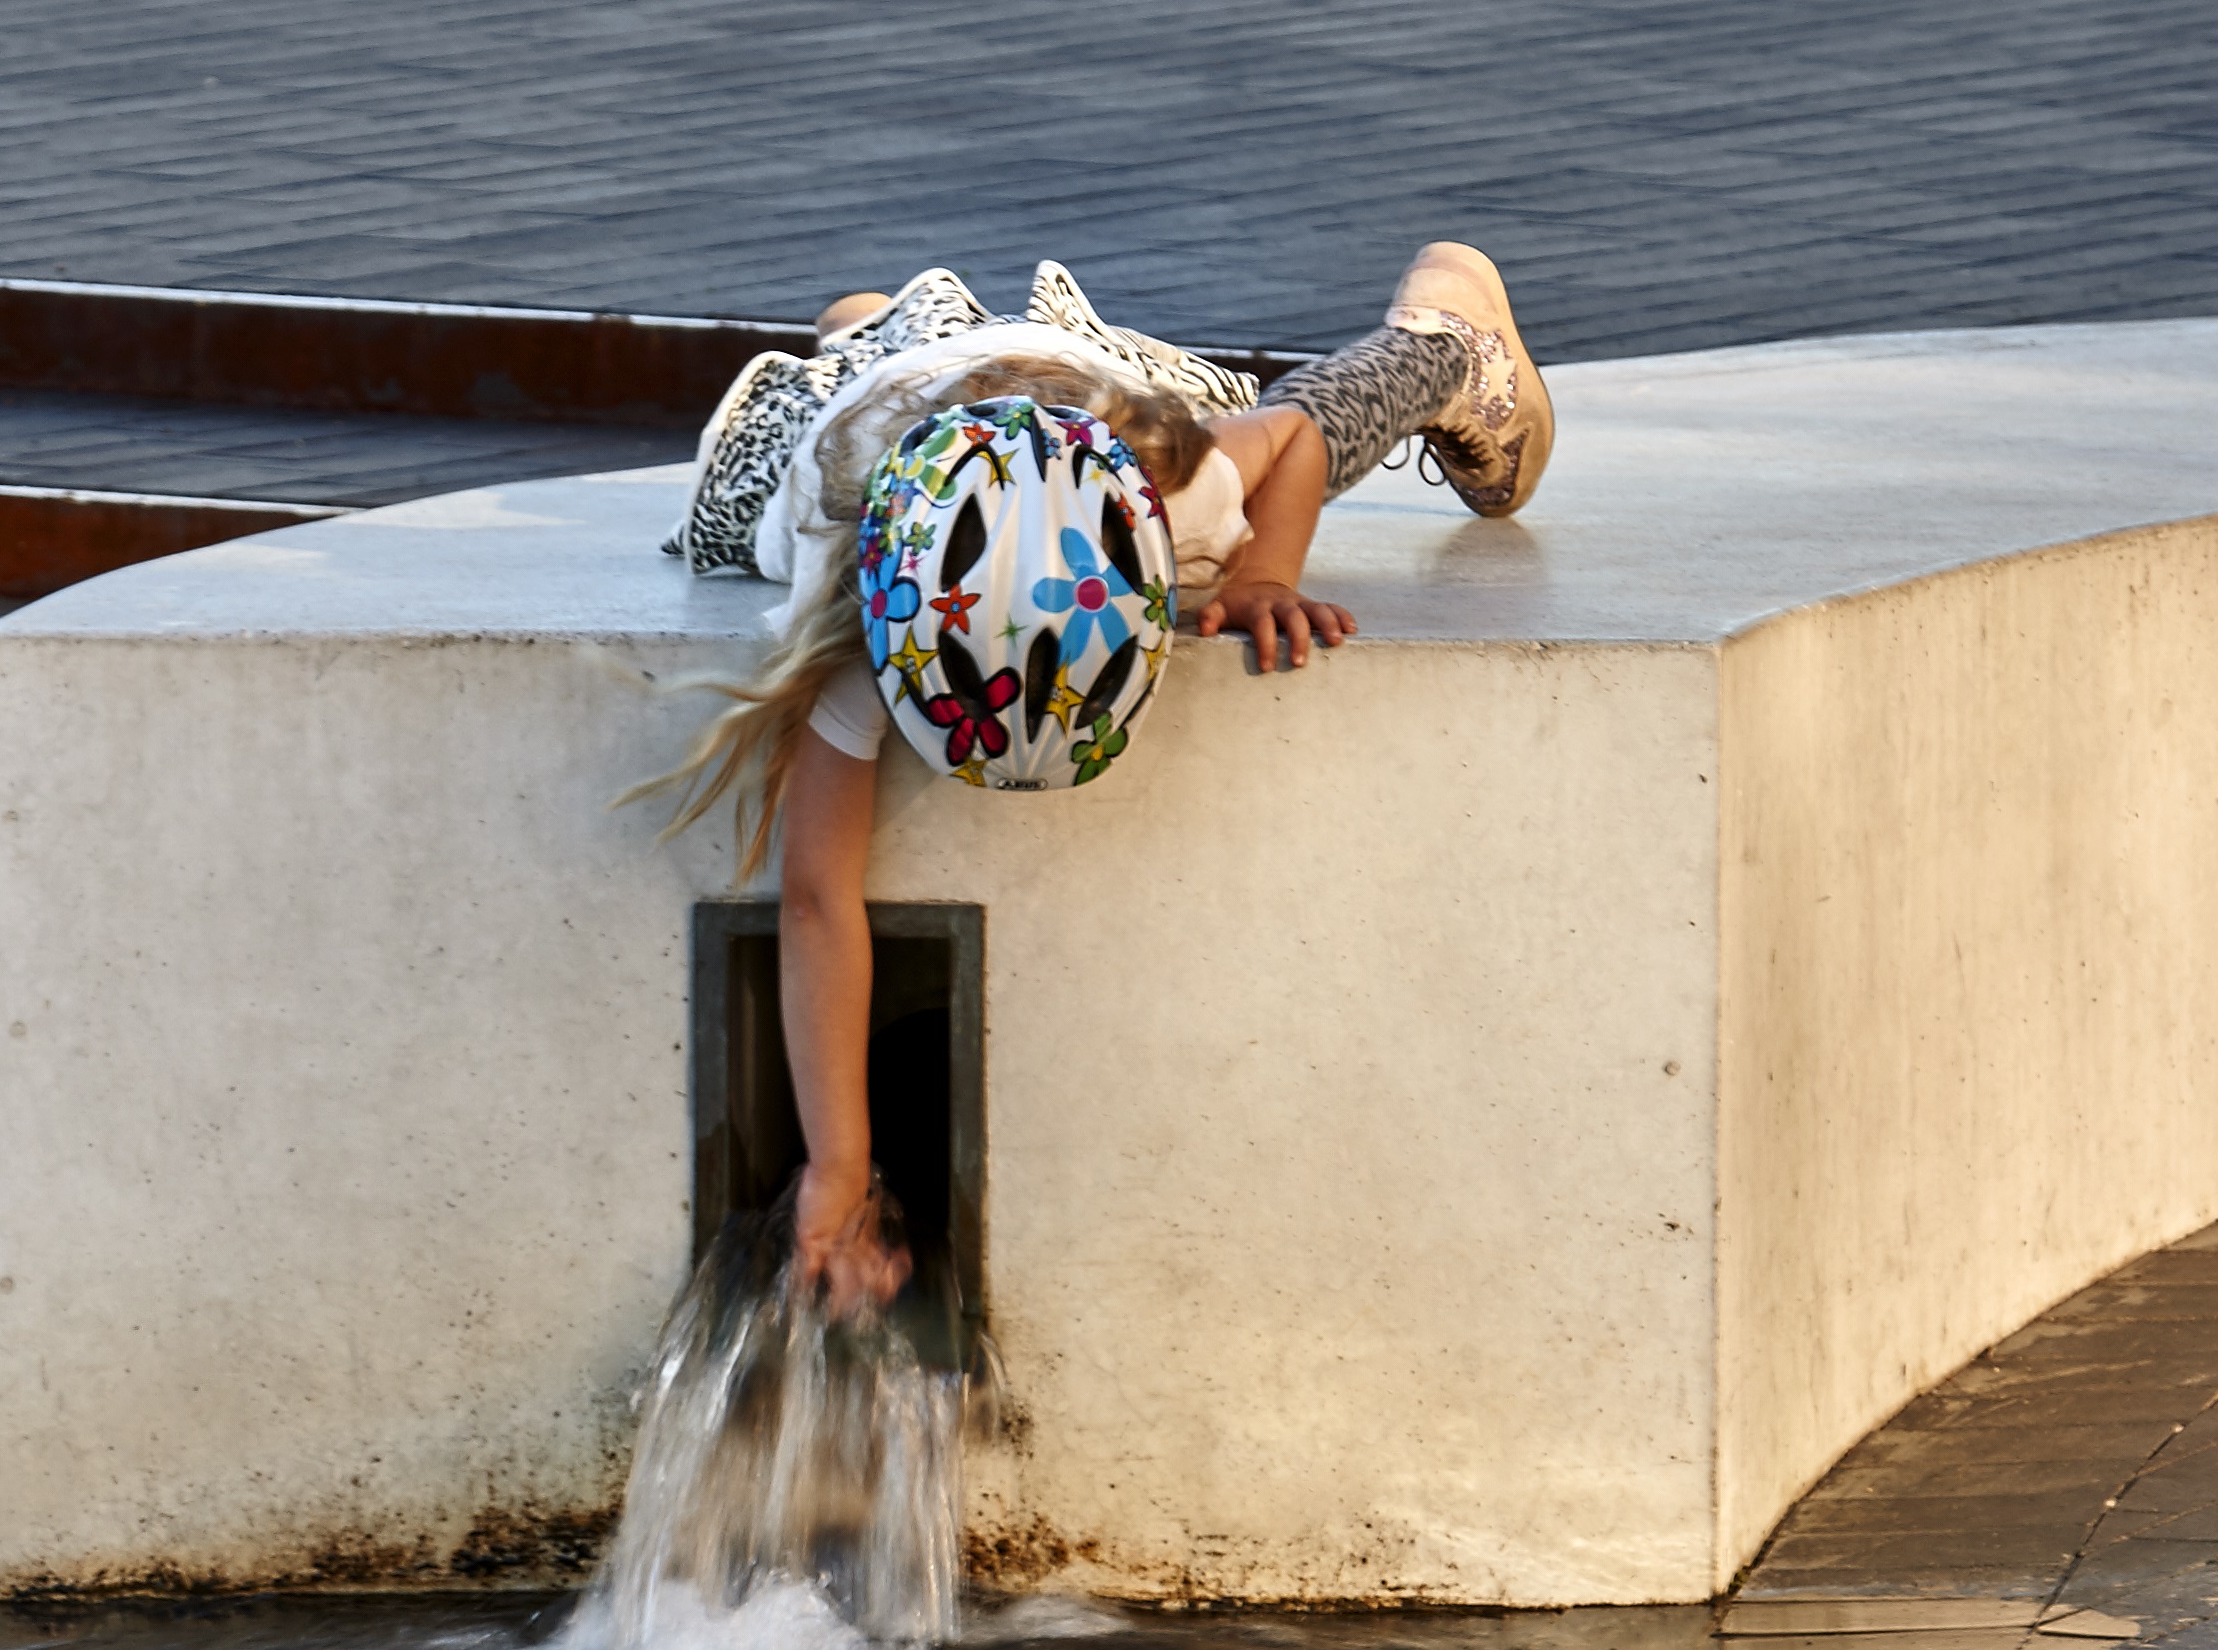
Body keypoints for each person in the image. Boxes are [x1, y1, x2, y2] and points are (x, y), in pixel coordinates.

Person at [633, 244, 1553, 1319]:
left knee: (1315, 424)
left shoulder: (1177, 501)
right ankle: (876, 330)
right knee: (734, 510)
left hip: (1081, 390)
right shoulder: (854, 604)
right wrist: (837, 1164)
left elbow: (1296, 439)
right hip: (874, 423)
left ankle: (1445, 344)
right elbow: (817, 899)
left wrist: (1263, 576)